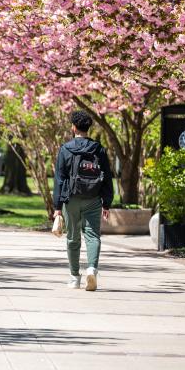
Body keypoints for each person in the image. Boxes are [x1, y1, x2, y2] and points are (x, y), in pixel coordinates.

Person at [53, 110, 113, 291]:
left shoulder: (66, 149)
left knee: (73, 238)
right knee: (93, 236)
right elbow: (107, 177)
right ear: (88, 128)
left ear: (73, 127)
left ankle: (74, 277)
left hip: (71, 199)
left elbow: (59, 179)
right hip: (94, 198)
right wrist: (107, 202)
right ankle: (92, 269)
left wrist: (57, 206)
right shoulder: (99, 149)